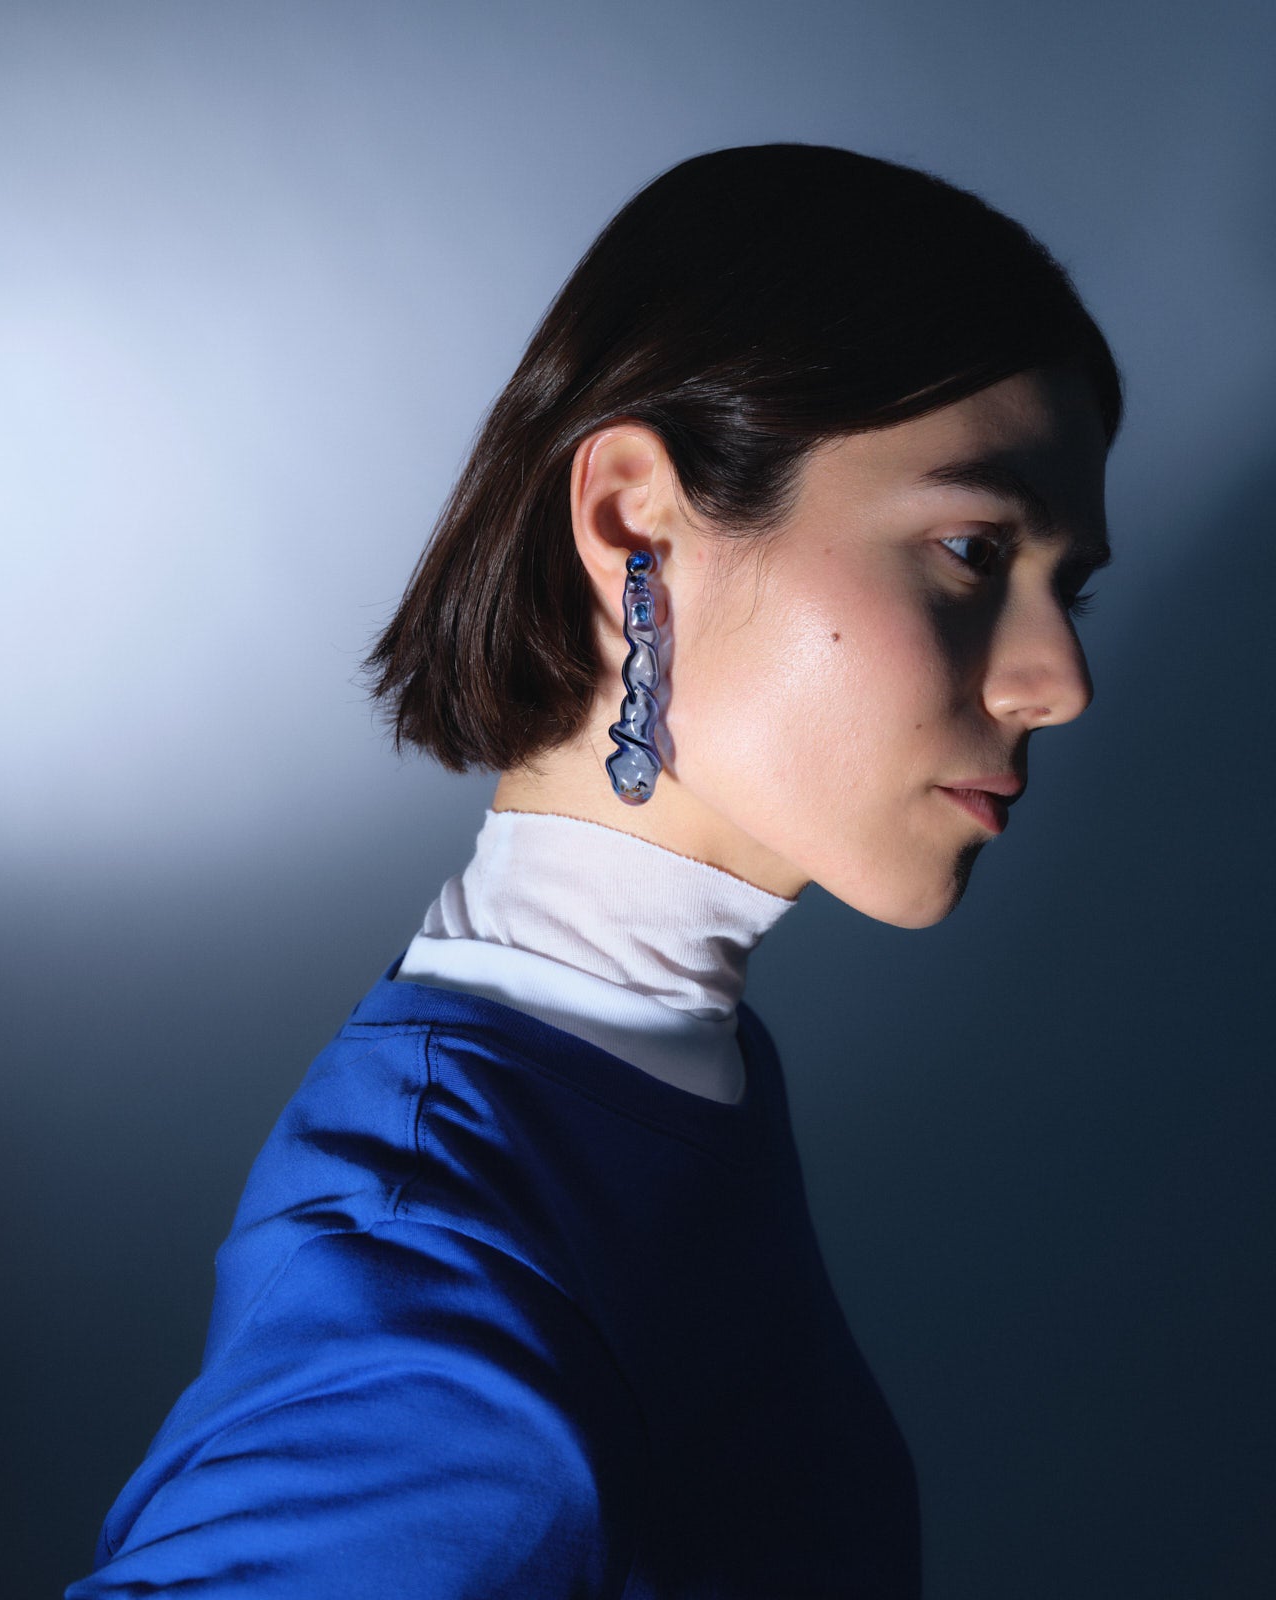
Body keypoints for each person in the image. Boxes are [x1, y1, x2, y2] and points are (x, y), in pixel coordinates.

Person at [67, 143, 1123, 1598]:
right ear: (639, 520)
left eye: (1067, 587)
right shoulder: (440, 1317)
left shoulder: (671, 1060)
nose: (1057, 678)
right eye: (968, 547)